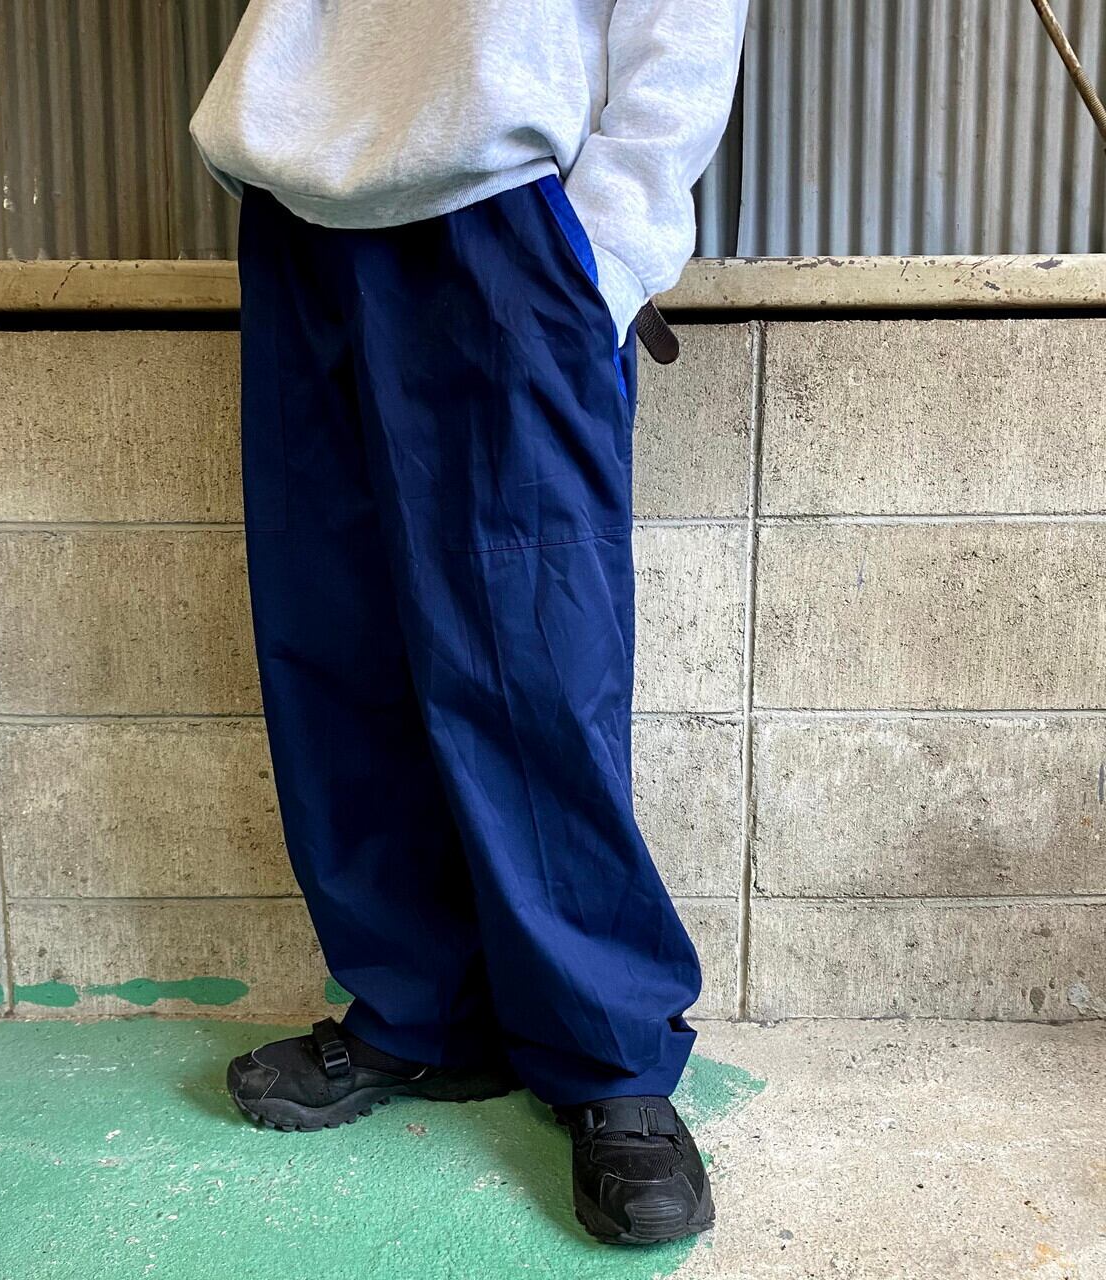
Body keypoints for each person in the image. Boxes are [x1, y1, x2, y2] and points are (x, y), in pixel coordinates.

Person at [191, 0, 747, 1247]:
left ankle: (606, 1055)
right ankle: (418, 1010)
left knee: (534, 656)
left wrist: (606, 250)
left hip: (502, 220)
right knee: (333, 645)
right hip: (300, 214)